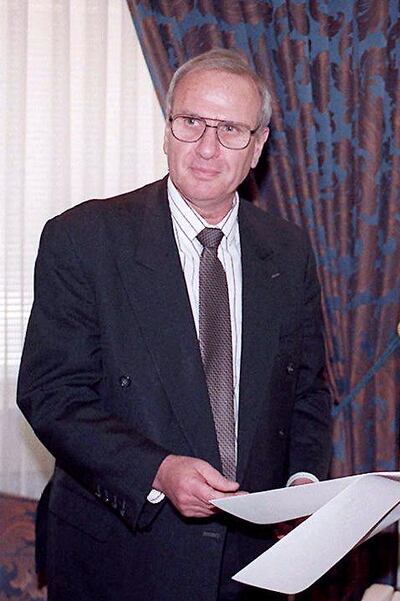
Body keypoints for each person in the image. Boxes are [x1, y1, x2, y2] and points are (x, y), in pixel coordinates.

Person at [17, 48, 332, 601]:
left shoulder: (288, 250)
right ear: (167, 130)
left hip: (252, 562)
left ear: (258, 147)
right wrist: (157, 471)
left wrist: (300, 487)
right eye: (191, 122)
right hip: (121, 554)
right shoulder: (85, 239)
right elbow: (52, 395)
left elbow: (306, 391)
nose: (207, 147)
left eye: (230, 129)